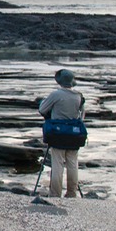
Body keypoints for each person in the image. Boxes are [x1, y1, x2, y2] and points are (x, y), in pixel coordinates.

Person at [38, 69, 88, 198]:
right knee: (72, 164)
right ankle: (71, 193)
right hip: (74, 134)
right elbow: (81, 117)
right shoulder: (79, 96)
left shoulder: (56, 95)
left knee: (58, 163)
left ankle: (55, 193)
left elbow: (42, 110)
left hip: (58, 133)